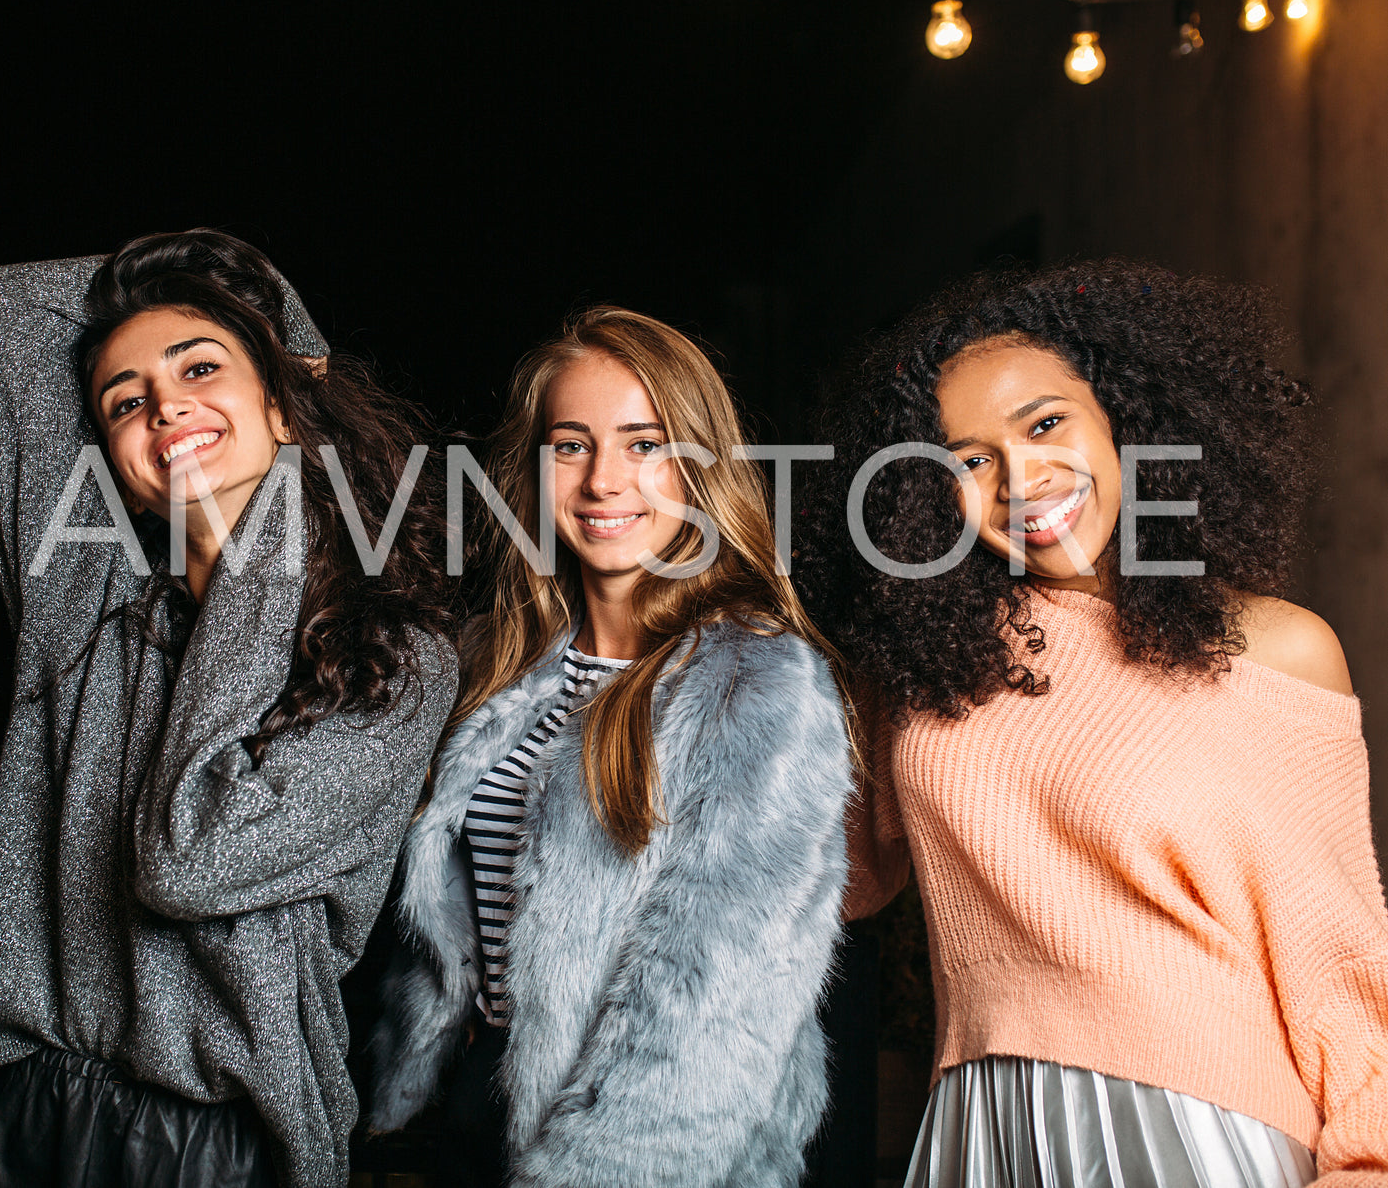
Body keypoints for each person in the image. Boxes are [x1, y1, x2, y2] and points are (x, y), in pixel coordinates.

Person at [794, 259, 1388, 1187]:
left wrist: (1371, 1160)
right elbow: (823, 879)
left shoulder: (1275, 649)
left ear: (1124, 420)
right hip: (978, 1128)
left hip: (1197, 1129)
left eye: (1044, 423)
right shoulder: (922, 663)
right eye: (969, 460)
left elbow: (1335, 951)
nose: (1019, 478)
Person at [0, 230, 459, 1188]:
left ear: (282, 400)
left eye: (201, 366)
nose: (165, 404)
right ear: (111, 463)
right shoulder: (85, 607)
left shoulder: (389, 661)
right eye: (125, 401)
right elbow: (3, 309)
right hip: (30, 1110)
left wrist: (260, 533)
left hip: (210, 1138)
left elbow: (190, 860)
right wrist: (265, 322)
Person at [368, 306, 853, 1188]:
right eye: (569, 444)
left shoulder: (757, 683)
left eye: (644, 443)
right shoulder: (494, 666)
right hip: (463, 1127)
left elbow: (709, 1007)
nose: (602, 480)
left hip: (636, 1155)